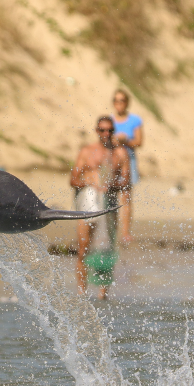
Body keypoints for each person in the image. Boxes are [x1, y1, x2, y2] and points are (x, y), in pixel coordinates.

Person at [71, 116, 130, 299]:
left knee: (107, 248)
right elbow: (73, 179)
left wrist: (112, 184)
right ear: (96, 131)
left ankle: (103, 293)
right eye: (102, 130)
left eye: (110, 131)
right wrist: (87, 182)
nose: (106, 134)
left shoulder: (120, 153)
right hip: (88, 200)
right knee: (83, 247)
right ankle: (82, 291)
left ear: (113, 131)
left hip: (109, 201)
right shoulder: (87, 151)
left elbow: (126, 182)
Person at [111, 89, 143, 246]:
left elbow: (139, 142)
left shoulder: (135, 120)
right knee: (110, 197)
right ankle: (111, 231)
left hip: (128, 160)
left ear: (127, 102)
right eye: (116, 100)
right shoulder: (109, 121)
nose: (119, 103)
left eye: (122, 100)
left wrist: (125, 141)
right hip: (111, 160)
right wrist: (114, 141)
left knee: (126, 197)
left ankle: (125, 233)